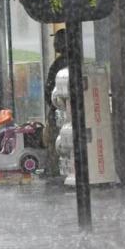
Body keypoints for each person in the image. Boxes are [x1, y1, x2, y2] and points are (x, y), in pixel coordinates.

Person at [43, 29, 68, 176]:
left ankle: (53, 172)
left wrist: (53, 106)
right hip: (59, 109)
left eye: (56, 41)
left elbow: (50, 88)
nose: (54, 44)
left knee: (54, 142)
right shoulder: (69, 61)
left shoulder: (60, 63)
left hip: (58, 111)